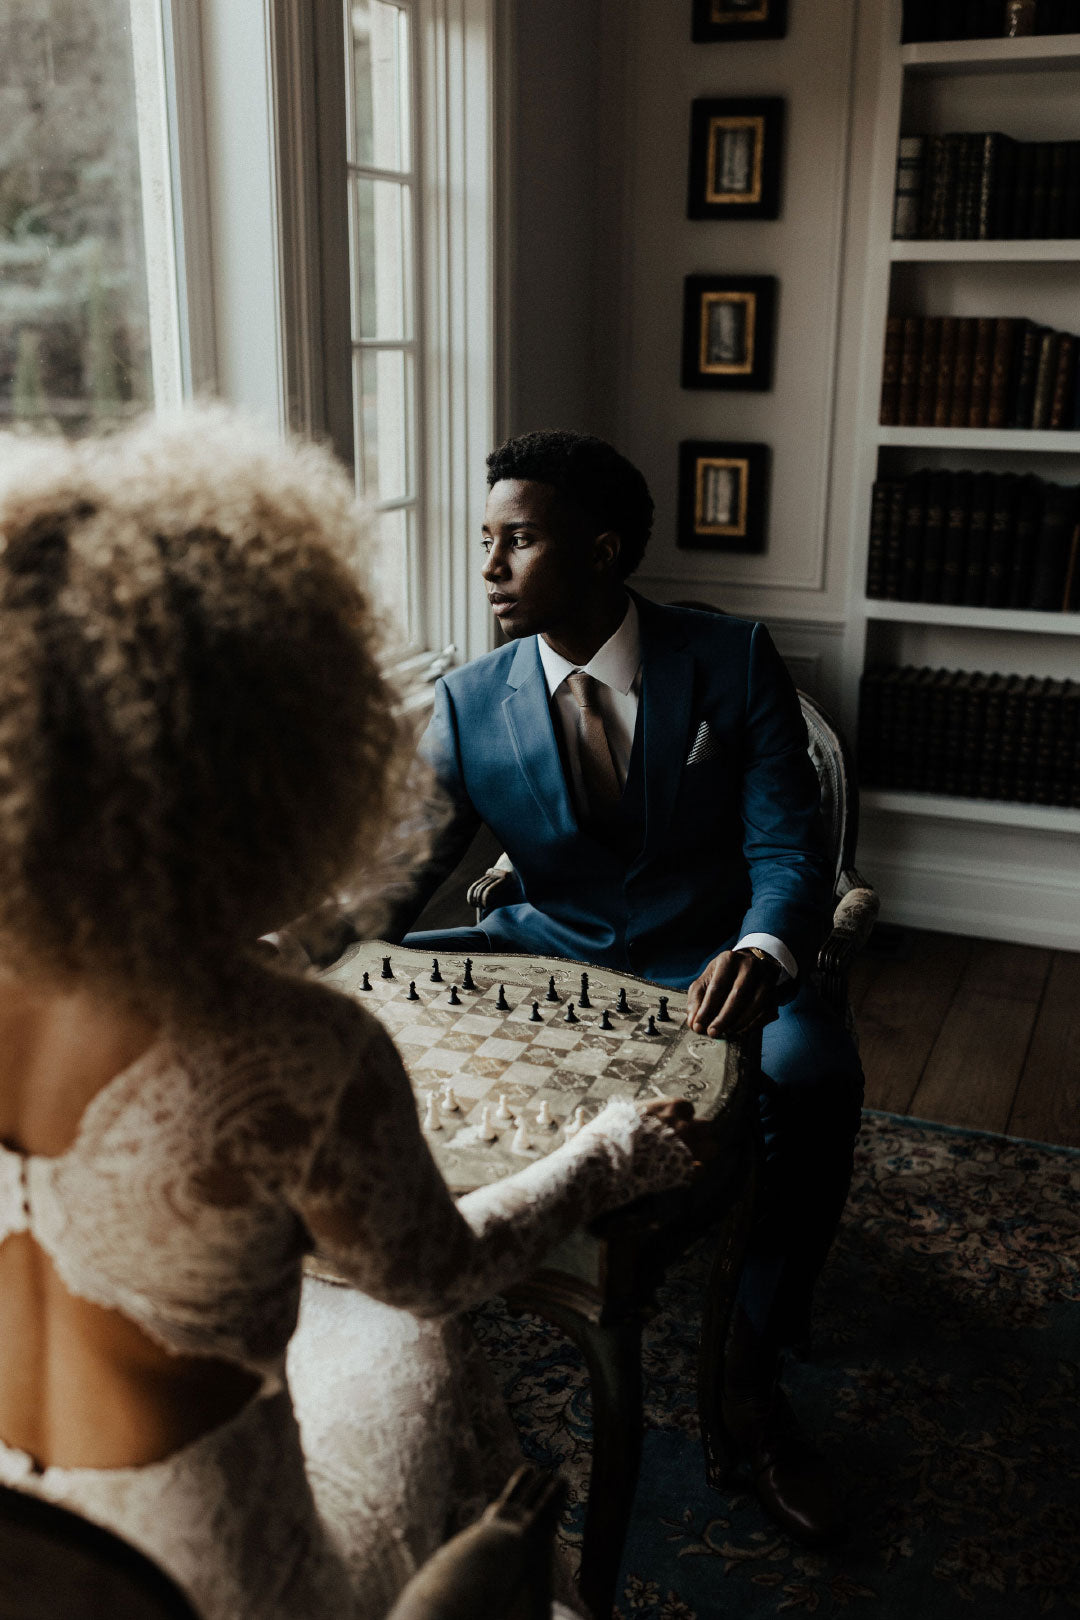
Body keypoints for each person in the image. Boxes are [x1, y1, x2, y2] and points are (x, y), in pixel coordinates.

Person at [0, 409, 706, 1619]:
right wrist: (602, 1156)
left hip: (30, 1558)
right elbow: (438, 1275)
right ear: (284, 755)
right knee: (423, 1341)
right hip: (212, 1584)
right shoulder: (301, 1051)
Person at [392, 429, 866, 1544]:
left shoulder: (733, 659)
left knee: (814, 1072)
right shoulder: (467, 704)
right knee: (377, 987)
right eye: (484, 541)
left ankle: (750, 1381)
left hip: (715, 961)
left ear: (602, 551)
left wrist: (765, 950)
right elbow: (396, 880)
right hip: (544, 953)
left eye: (518, 541)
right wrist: (297, 951)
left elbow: (791, 850)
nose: (490, 567)